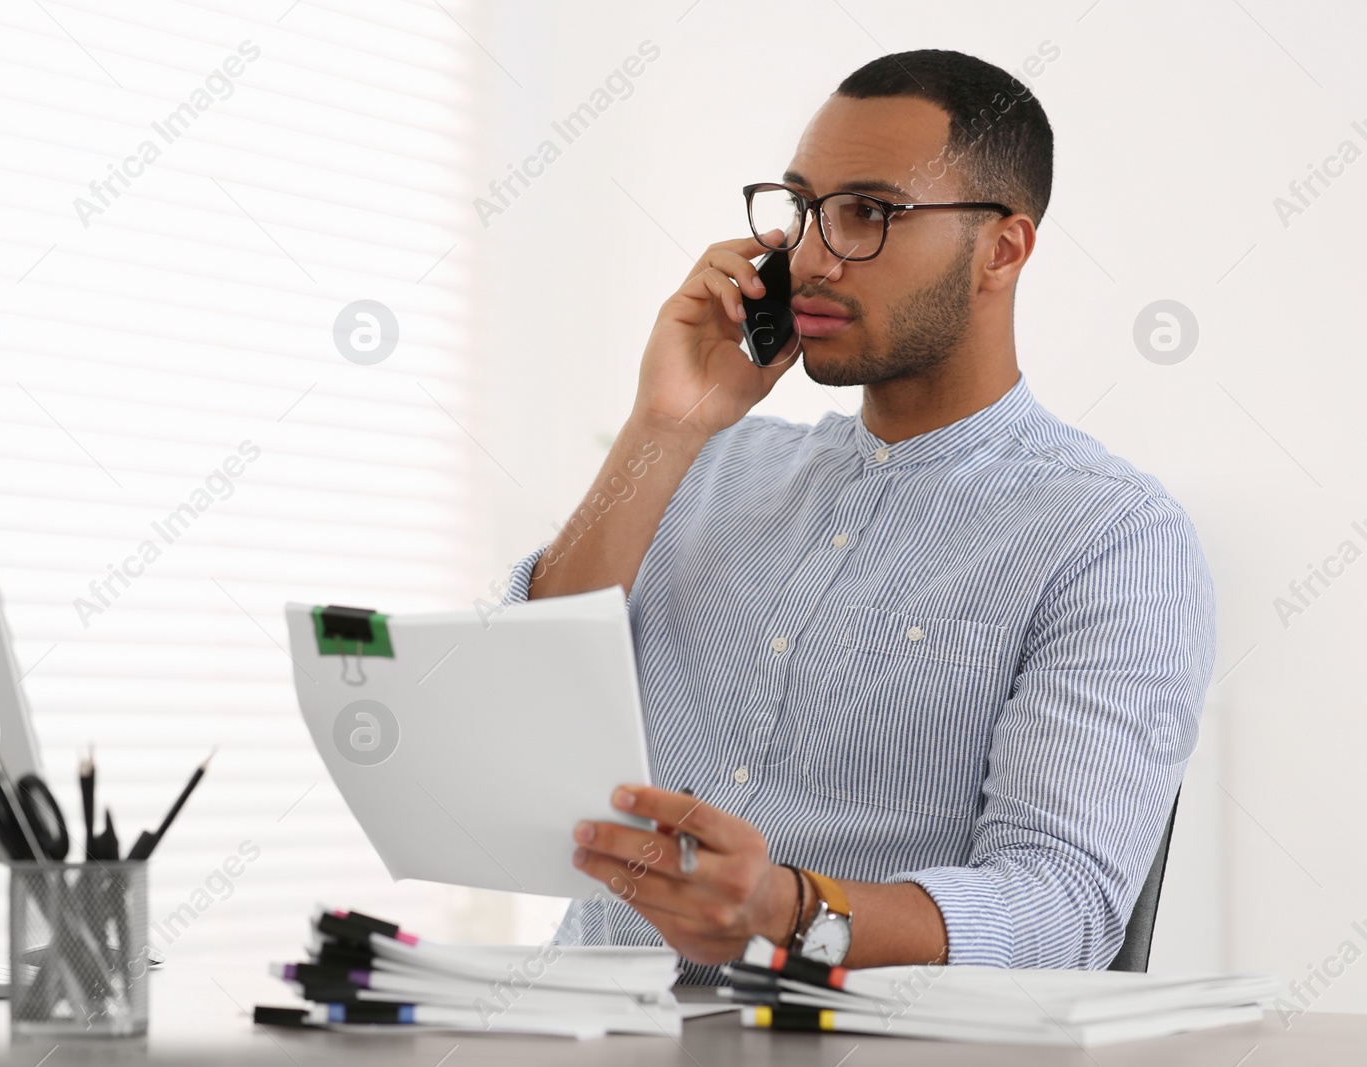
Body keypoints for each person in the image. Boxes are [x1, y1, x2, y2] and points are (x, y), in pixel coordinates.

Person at [500, 49, 1213, 983]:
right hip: (581, 1029)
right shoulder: (703, 464)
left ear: (1002, 249)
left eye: (868, 214)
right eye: (802, 209)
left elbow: (1061, 906)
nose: (810, 257)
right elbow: (520, 706)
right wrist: (662, 425)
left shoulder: (1111, 538)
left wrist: (787, 913)